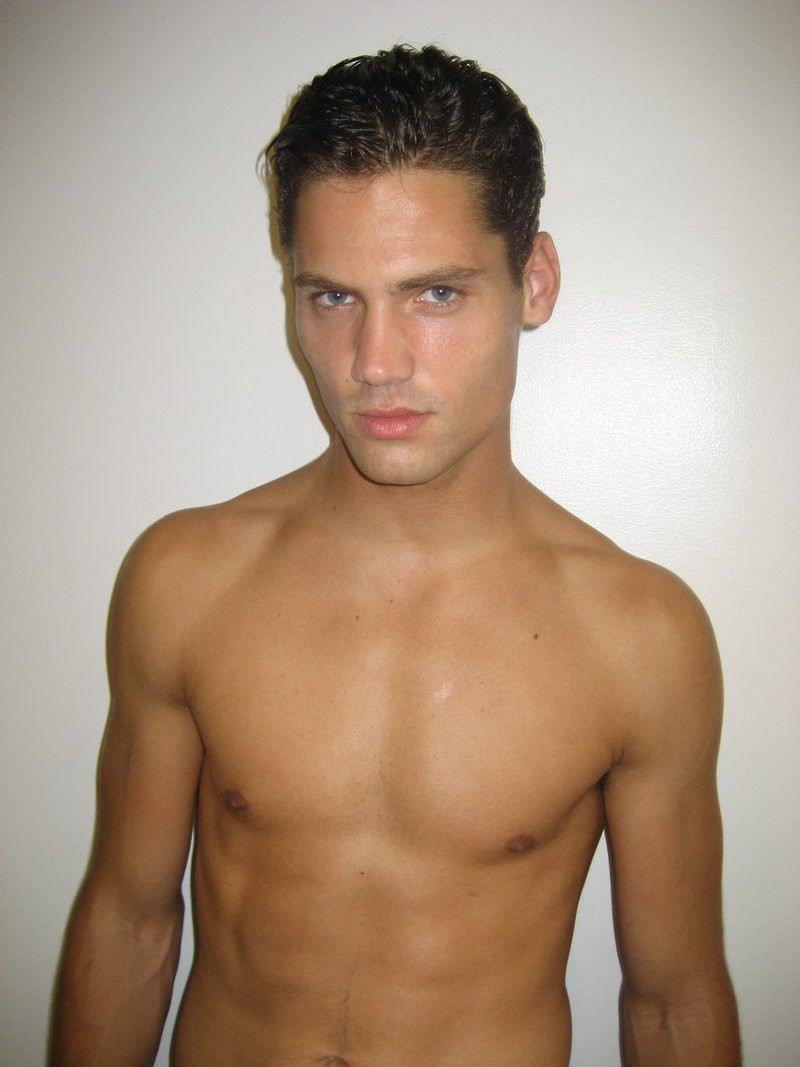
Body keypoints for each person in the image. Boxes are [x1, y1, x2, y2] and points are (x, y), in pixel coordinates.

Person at [49, 44, 740, 1066]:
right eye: (333, 297)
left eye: (435, 294)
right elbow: (129, 922)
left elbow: (671, 1004)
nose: (374, 364)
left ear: (534, 280)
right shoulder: (185, 580)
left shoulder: (641, 637)